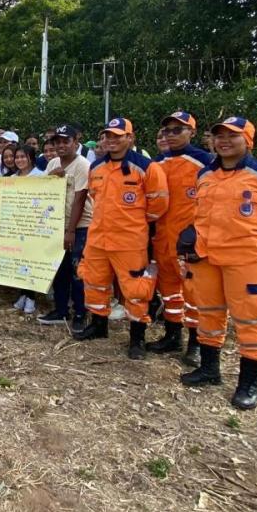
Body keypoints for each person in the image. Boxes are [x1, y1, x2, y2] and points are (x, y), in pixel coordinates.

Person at [179, 116, 257, 409]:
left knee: (250, 318)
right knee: (209, 313)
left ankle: (250, 383)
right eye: (219, 136)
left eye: (232, 136)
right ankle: (209, 369)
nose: (224, 141)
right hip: (206, 257)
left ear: (248, 141)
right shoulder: (206, 174)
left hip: (246, 261)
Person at [73, 118, 168, 360]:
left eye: (117, 136)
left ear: (130, 138)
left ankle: (137, 337)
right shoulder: (97, 168)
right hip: (98, 239)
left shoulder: (147, 168)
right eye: (107, 136)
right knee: (94, 283)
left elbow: (158, 205)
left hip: (130, 242)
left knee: (136, 291)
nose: (111, 140)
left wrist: (130, 224)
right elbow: (95, 198)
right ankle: (99, 325)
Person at [145, 112, 215, 364]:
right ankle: (173, 335)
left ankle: (196, 342)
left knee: (194, 293)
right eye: (167, 130)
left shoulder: (205, 162)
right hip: (162, 238)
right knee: (169, 291)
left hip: (190, 241)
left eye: (178, 130)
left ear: (191, 132)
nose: (171, 135)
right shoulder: (156, 163)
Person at [37, 126, 91, 328]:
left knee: (78, 272)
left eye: (65, 141)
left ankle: (80, 314)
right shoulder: (52, 162)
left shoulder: (82, 165)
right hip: (56, 224)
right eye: (57, 141)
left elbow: (80, 199)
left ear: (76, 142)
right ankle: (61, 311)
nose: (61, 145)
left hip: (80, 226)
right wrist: (52, 176)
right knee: (59, 269)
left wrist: (70, 231)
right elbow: (43, 190)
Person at [10, 145, 45, 315]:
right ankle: (23, 293)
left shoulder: (41, 177)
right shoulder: (11, 178)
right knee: (19, 262)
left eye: (23, 157)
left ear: (31, 158)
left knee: (31, 262)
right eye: (17, 157)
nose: (19, 160)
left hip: (34, 227)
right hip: (16, 227)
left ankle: (31, 296)